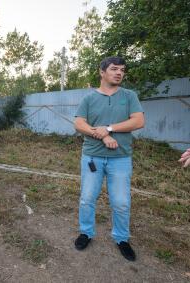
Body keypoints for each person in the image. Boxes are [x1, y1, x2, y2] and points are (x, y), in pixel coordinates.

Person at [73, 56, 145, 261]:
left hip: (120, 158)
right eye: (114, 69)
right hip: (92, 157)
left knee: (121, 202)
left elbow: (139, 121)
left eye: (122, 69)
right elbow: (79, 123)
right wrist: (104, 135)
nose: (119, 72)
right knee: (87, 198)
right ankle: (86, 232)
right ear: (102, 72)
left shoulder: (129, 96)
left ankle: (121, 238)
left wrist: (110, 128)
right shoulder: (89, 98)